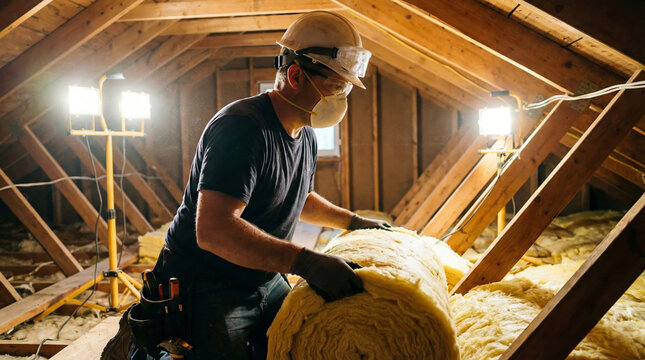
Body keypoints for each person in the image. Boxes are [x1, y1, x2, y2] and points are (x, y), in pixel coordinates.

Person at [130, 11, 390, 360]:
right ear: (296, 75)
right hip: (208, 282)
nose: (340, 99)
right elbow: (214, 230)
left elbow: (298, 196)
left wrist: (354, 222)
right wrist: (307, 263)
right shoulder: (242, 128)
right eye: (335, 88)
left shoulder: (306, 134)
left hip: (262, 276)